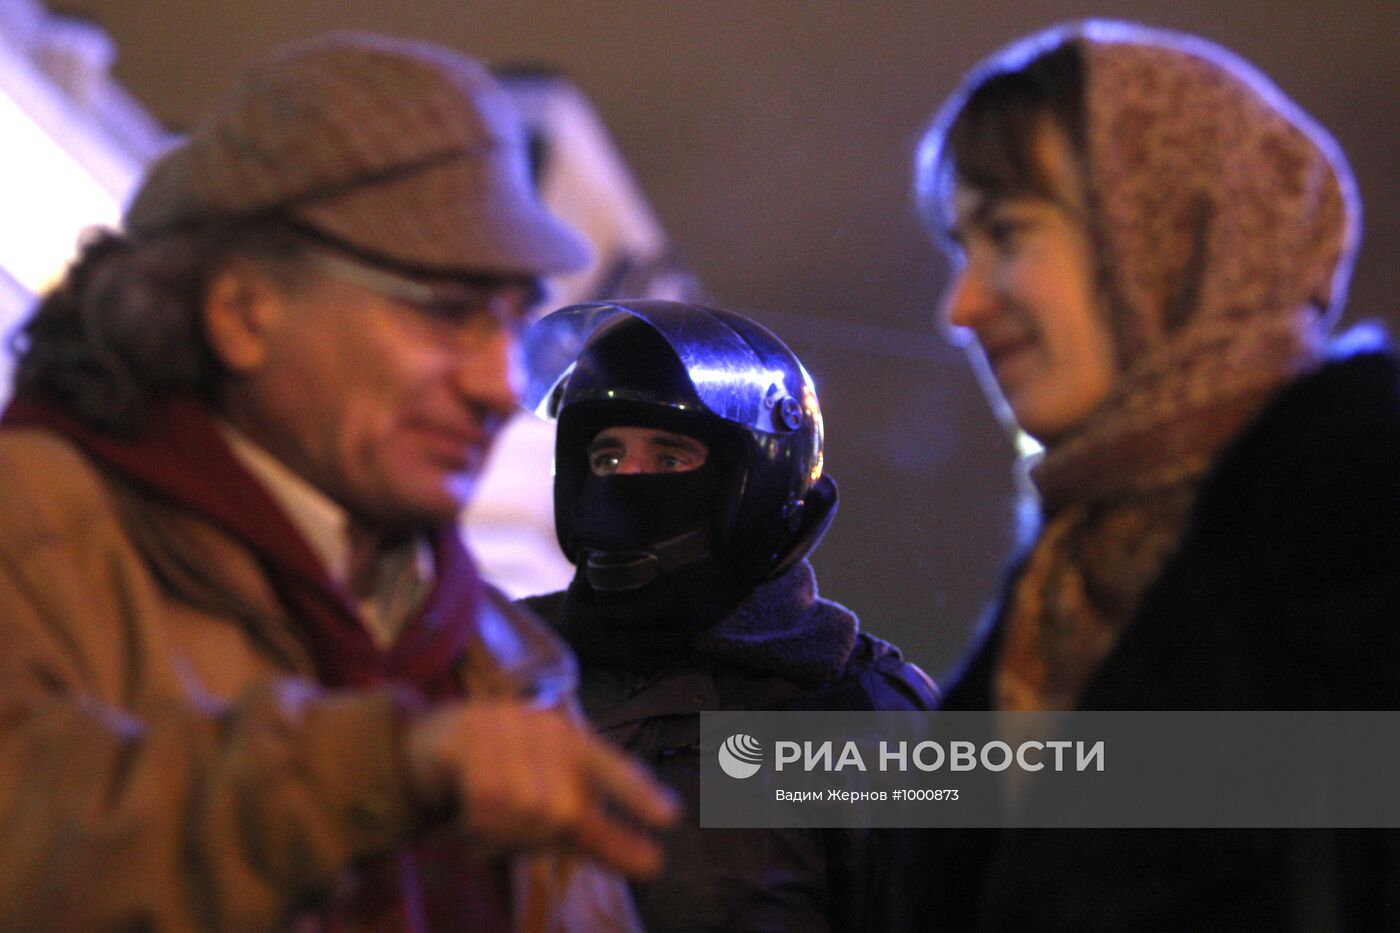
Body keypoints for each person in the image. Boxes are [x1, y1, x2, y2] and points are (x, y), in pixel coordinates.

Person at [0, 32, 680, 932]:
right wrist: (380, 769)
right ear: (246, 312)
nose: (502, 387)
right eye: (447, 313)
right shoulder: (34, 527)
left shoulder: (508, 659)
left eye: (512, 324)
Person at [901, 19, 1400, 930]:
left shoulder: (1364, 536)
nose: (961, 307)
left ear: (1167, 227)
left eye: (1006, 232)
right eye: (958, 250)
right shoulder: (1061, 587)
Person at [518, 299, 939, 932]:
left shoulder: (856, 711)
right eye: (605, 458)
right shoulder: (504, 665)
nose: (625, 483)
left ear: (757, 488)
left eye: (668, 459)